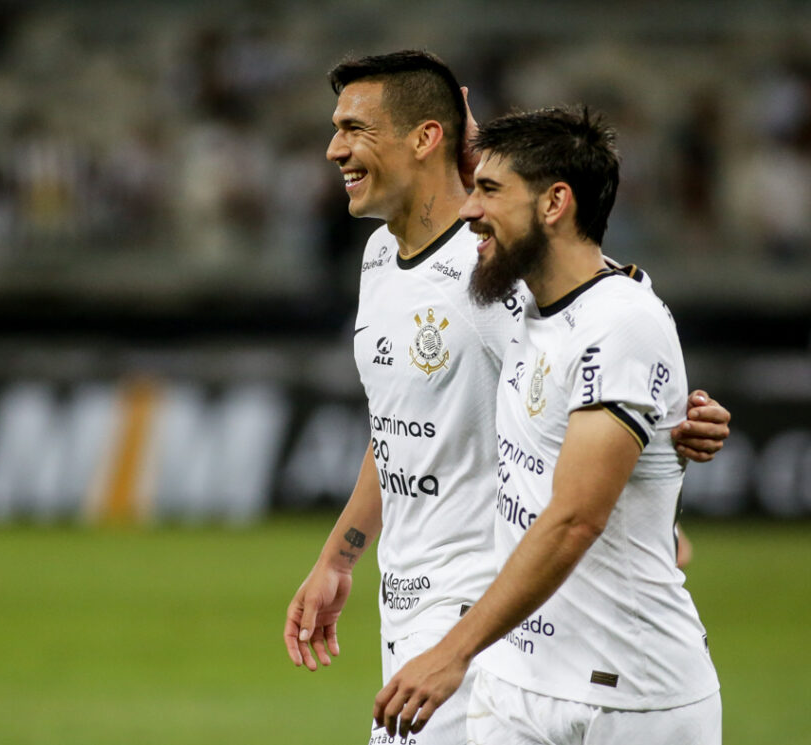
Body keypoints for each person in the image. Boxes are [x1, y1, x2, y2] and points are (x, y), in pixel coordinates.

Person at [283, 51, 729, 745]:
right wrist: (341, 555)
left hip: (486, 615)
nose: (333, 147)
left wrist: (671, 422)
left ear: (427, 137)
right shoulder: (380, 260)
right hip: (412, 604)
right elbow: (402, 424)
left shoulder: (489, 271)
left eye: (354, 128)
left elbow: (597, 313)